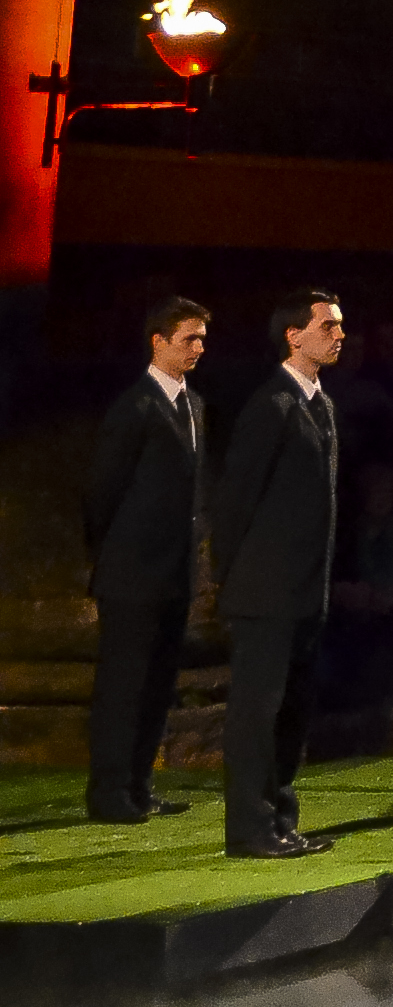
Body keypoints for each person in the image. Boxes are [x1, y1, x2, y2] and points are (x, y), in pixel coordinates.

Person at [211, 286, 345, 860]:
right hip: (266, 591)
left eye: (339, 326)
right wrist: (233, 579)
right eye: (328, 326)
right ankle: (250, 826)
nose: (339, 335)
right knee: (257, 713)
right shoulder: (271, 406)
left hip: (303, 590)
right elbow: (236, 500)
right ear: (295, 334)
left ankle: (280, 819)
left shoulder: (320, 403)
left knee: (292, 711)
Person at [82, 293, 209, 822]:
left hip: (172, 573)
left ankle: (139, 784)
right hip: (132, 574)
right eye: (189, 338)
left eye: (202, 338)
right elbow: (101, 493)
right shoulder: (135, 407)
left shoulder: (194, 405)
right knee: (123, 684)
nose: (199, 348)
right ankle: (110, 791)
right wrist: (112, 555)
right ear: (158, 342)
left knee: (158, 684)